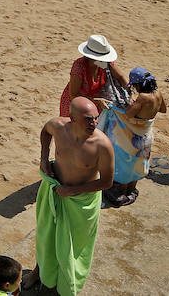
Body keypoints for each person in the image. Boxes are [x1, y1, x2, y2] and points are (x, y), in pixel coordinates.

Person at [34, 98, 112, 296]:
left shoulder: (102, 145)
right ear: (72, 118)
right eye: (88, 120)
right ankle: (40, 273)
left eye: (96, 118)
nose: (94, 124)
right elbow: (45, 131)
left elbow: (106, 182)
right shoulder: (59, 127)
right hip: (54, 192)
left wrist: (72, 191)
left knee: (74, 248)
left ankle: (65, 287)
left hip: (80, 203)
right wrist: (44, 157)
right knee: (46, 237)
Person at [99, 67, 166, 207]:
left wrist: (131, 99)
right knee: (138, 162)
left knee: (125, 162)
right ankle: (131, 190)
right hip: (146, 135)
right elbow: (163, 109)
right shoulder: (158, 94)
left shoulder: (142, 97)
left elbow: (129, 114)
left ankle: (120, 191)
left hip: (133, 138)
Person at [59, 35, 128, 117]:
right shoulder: (79, 66)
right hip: (77, 105)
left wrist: (130, 91)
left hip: (97, 103)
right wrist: (96, 101)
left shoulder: (105, 63)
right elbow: (74, 95)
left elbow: (121, 77)